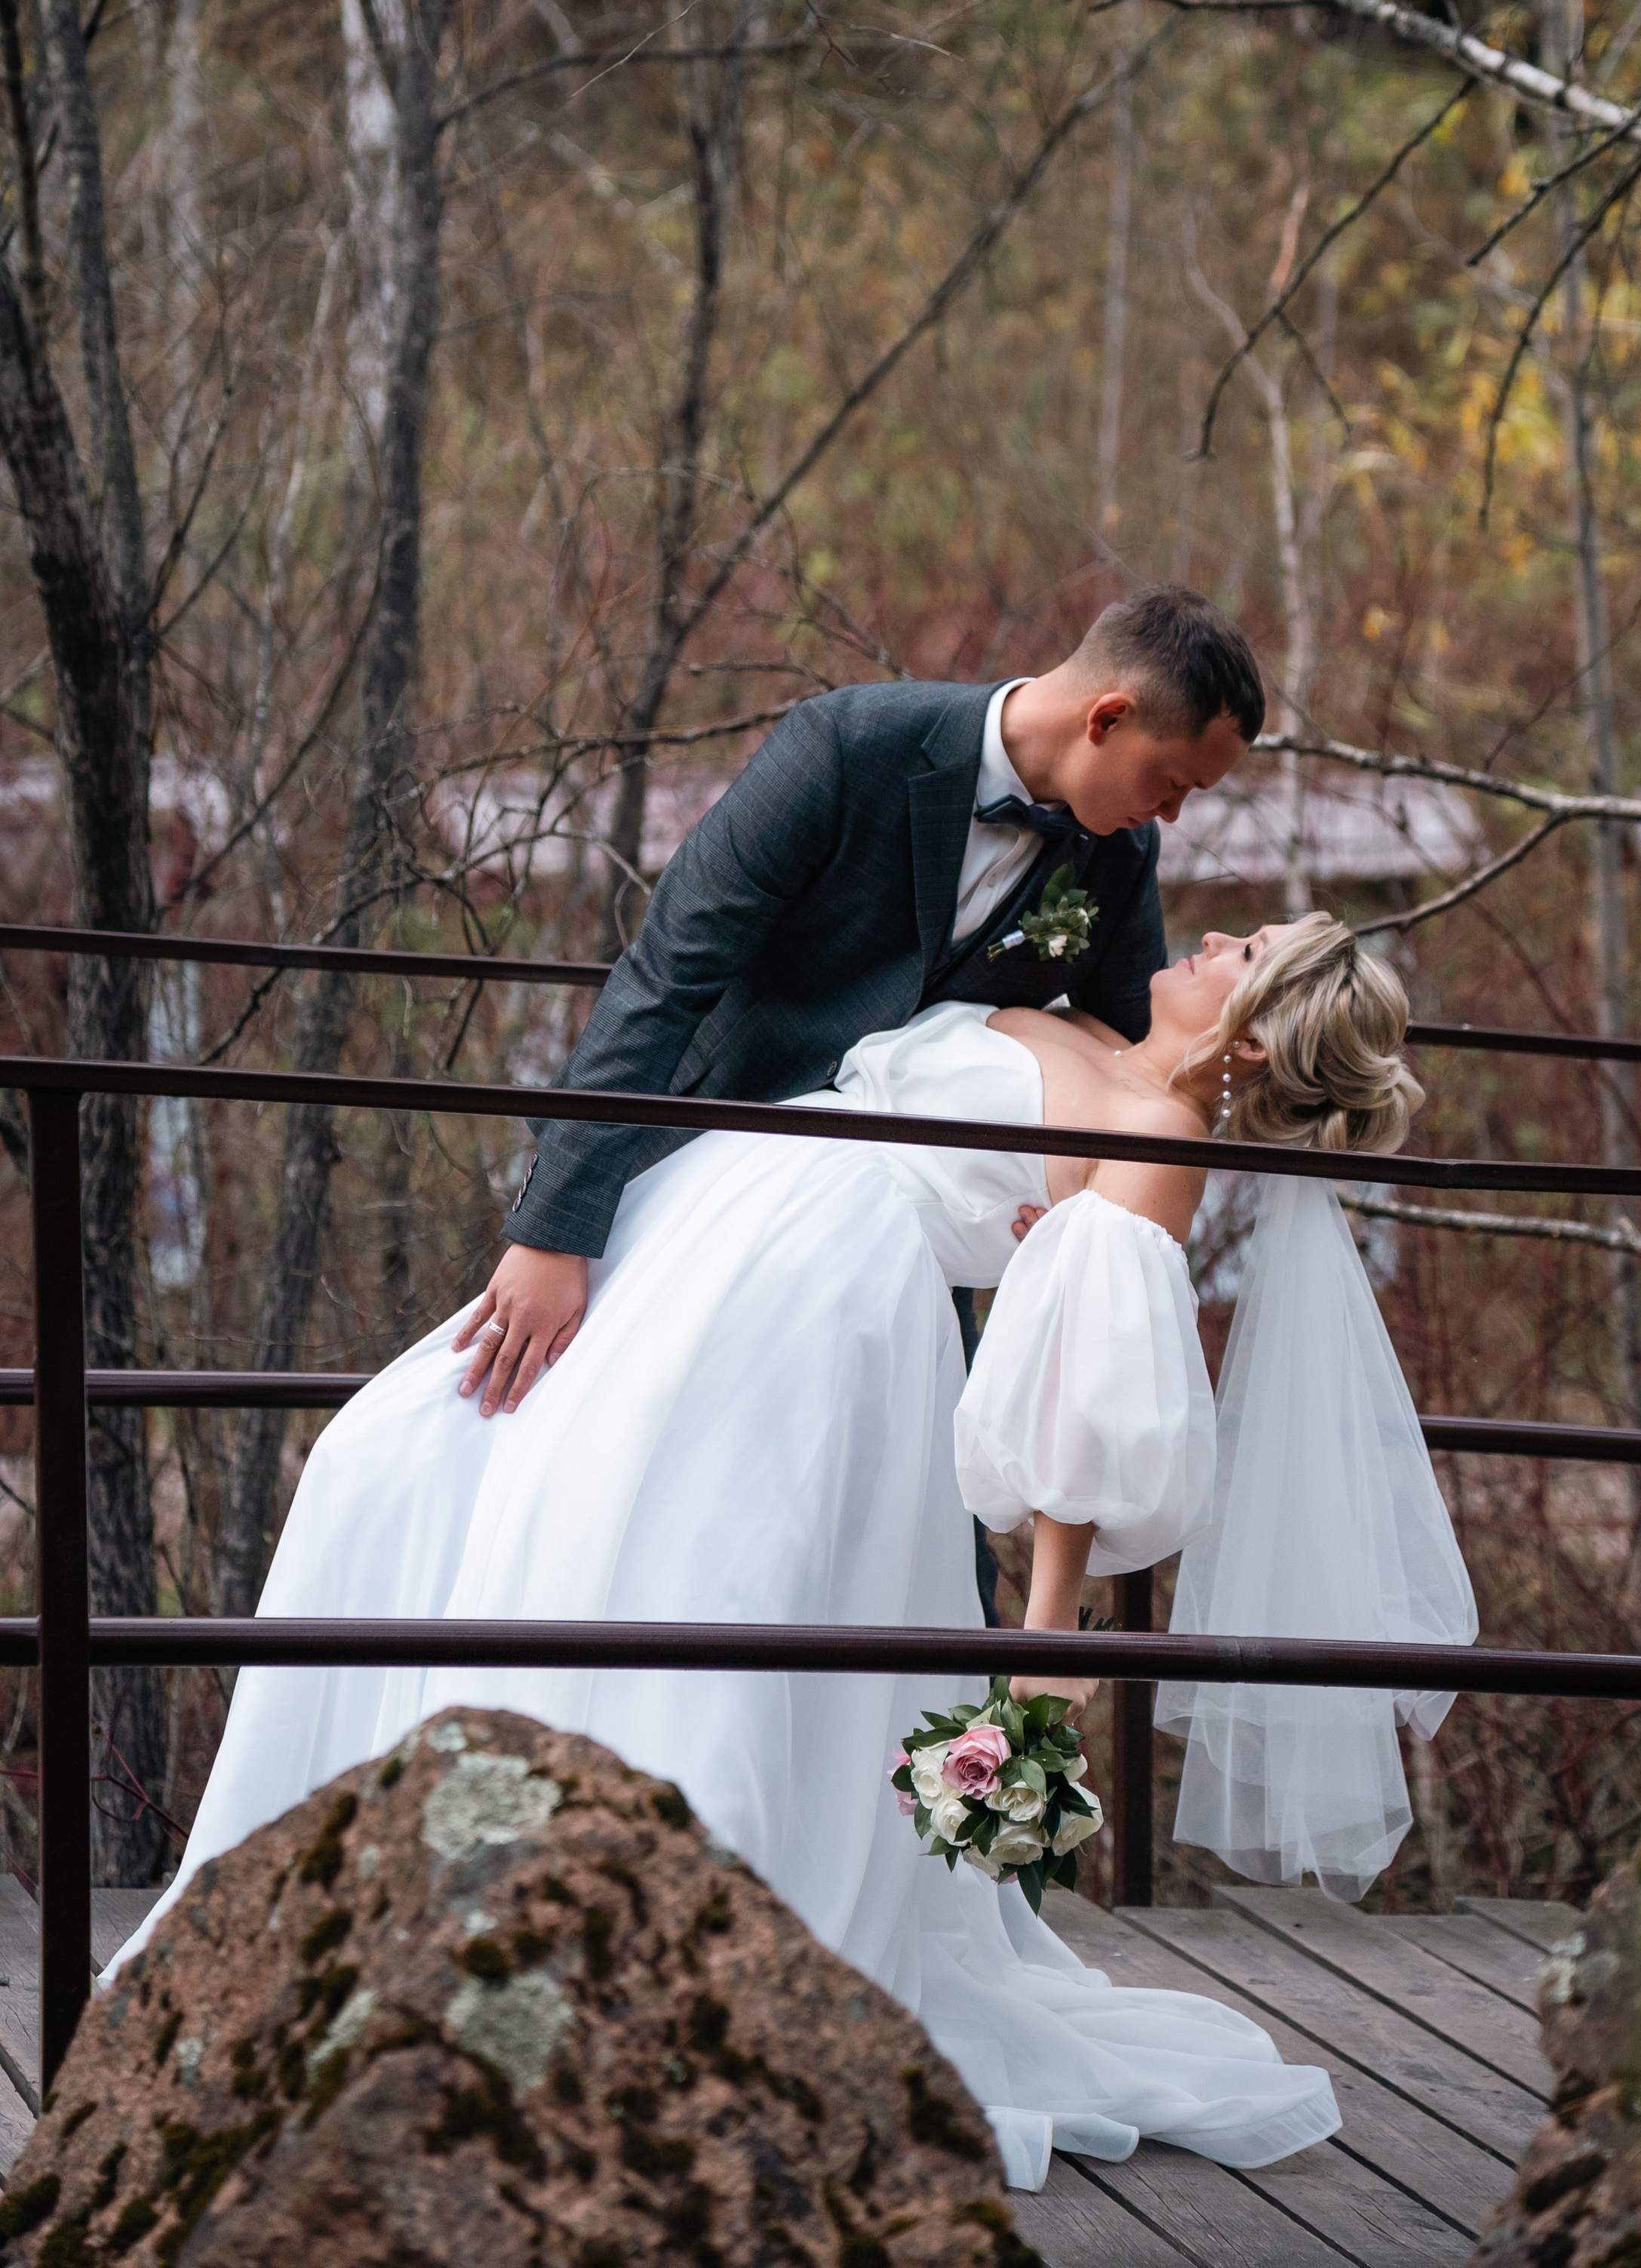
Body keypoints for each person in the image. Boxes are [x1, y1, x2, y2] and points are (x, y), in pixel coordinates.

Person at [106, 916, 1477, 2194]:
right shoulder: (1096, 1028)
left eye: (1246, 950)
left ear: (1248, 1040)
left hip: (816, 1314)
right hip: (709, 1210)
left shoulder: (1154, 1132)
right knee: (396, 1458)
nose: (1210, 935)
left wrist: (1034, 1688)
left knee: (675, 1584)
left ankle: (592, 1978)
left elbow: (1085, 1425)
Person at [469, 585, 1264, 1422]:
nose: (1172, 815)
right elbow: (667, 975)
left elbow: (1141, 1059)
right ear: (1105, 717)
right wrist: (554, 1230)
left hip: (901, 1265)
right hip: (703, 1177)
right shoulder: (845, 747)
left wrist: (1086, 1209)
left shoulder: (1117, 850)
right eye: (1172, 782)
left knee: (916, 1531)